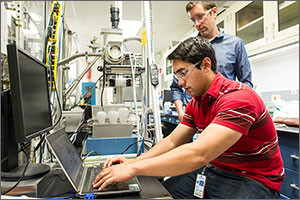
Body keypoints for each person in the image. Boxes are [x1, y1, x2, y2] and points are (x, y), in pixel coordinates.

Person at [92, 36, 284, 199]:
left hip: (253, 179)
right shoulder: (197, 102)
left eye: (183, 73)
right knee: (159, 194)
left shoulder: (238, 98)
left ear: (206, 64)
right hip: (215, 170)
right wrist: (133, 161)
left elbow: (199, 154)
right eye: (177, 76)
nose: (181, 83)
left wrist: (134, 170)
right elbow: (173, 141)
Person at [171, 1, 253, 121]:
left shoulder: (234, 44)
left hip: (224, 115)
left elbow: (246, 84)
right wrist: (181, 112)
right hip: (195, 117)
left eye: (200, 16)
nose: (197, 24)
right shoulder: (188, 48)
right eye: (193, 20)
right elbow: (176, 86)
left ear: (214, 12)